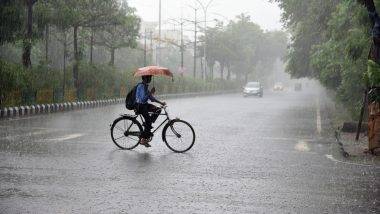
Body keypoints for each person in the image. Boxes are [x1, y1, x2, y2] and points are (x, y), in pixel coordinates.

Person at [135, 75, 166, 147]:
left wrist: (161, 103)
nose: (150, 79)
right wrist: (150, 92)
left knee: (158, 109)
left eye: (150, 78)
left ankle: (147, 126)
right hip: (140, 106)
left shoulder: (145, 86)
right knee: (148, 122)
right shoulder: (141, 86)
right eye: (148, 78)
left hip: (145, 105)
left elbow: (151, 98)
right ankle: (143, 139)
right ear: (144, 78)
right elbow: (142, 99)